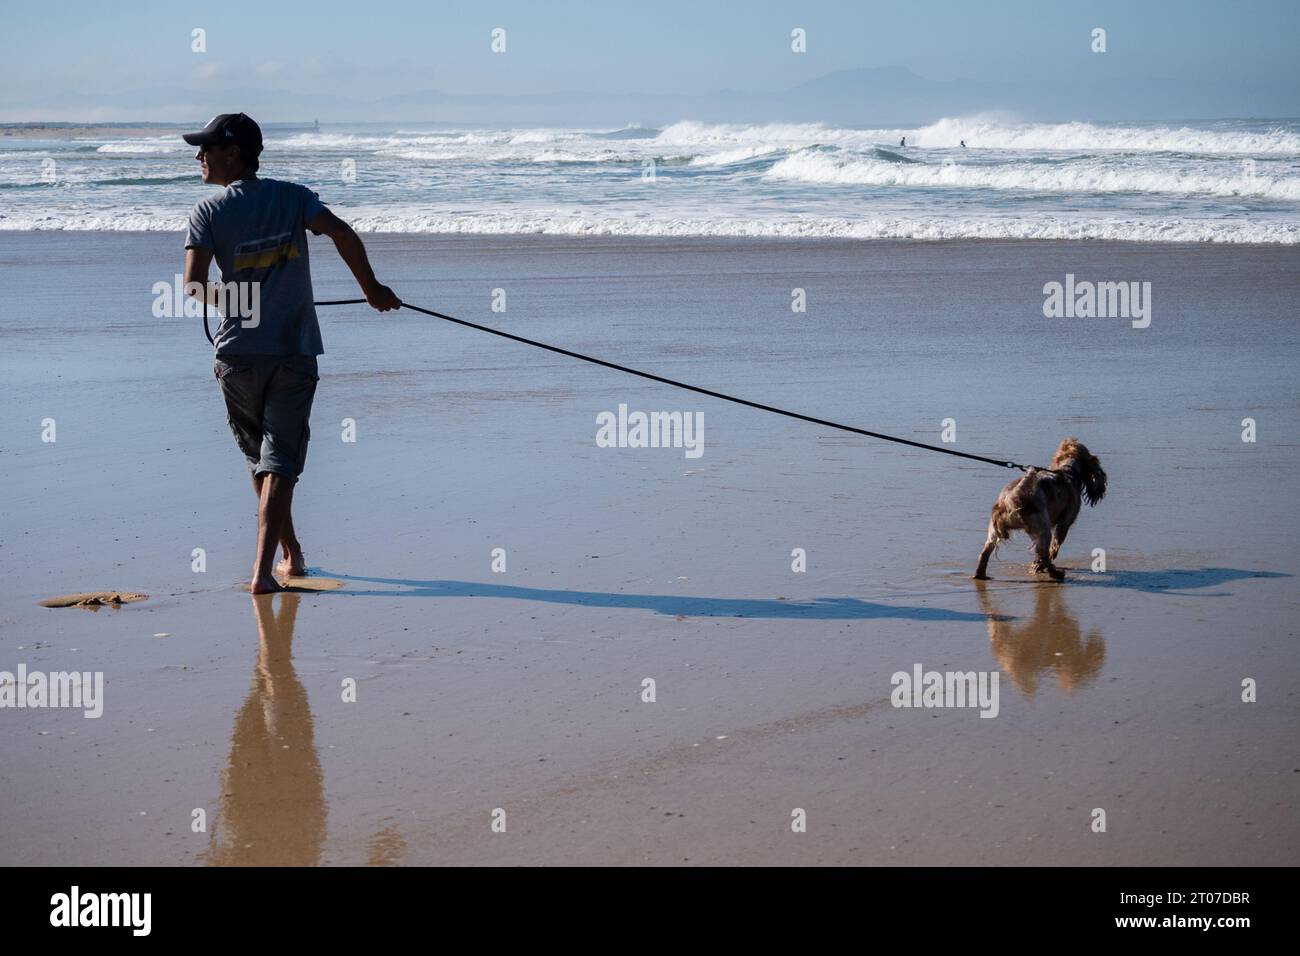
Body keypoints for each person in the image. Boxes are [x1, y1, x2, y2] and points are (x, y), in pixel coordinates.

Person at [181, 113, 400, 593]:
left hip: (238, 355)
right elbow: (342, 232)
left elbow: (194, 287)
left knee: (263, 460)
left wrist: (240, 300)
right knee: (276, 460)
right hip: (293, 350)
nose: (199, 156)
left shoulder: (208, 212)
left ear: (233, 153)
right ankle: (282, 559)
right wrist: (371, 288)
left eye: (207, 148)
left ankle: (271, 567)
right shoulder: (293, 196)